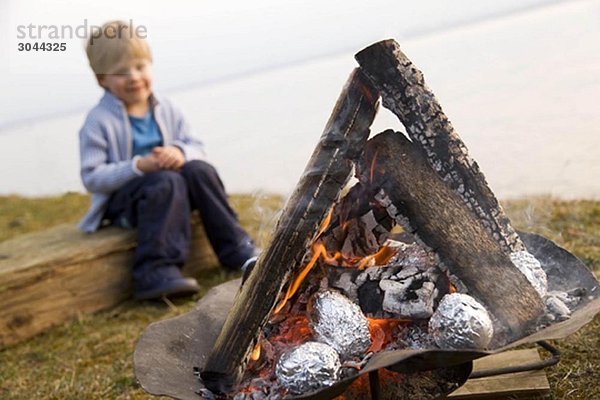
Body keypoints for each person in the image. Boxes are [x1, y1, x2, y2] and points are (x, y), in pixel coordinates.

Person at [78, 20, 257, 300]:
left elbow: (196, 145)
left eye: (139, 67)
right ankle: (154, 272)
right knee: (166, 181)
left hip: (172, 189)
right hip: (127, 203)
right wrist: (137, 166)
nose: (134, 77)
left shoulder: (167, 107)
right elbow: (92, 177)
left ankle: (238, 250)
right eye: (121, 72)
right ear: (102, 79)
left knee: (199, 170)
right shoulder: (98, 121)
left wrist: (180, 152)